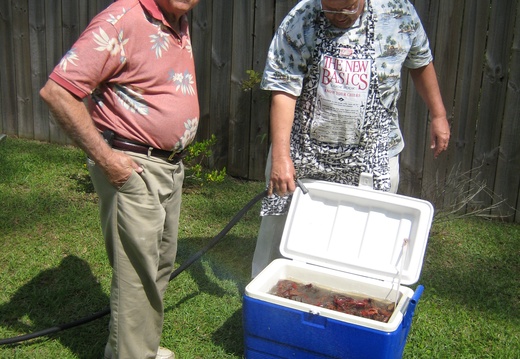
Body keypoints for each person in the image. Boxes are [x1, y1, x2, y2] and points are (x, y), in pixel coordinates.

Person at [40, 0, 200, 358]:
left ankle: (131, 349)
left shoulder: (177, 21)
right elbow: (58, 91)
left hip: (169, 166)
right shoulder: (123, 19)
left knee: (157, 265)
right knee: (136, 273)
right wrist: (108, 160)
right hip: (134, 166)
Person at [251, 0, 451, 278]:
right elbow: (283, 88)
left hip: (371, 157)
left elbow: (420, 61)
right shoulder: (302, 18)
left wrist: (438, 114)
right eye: (330, 9)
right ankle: (268, 302)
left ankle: (348, 305)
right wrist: (282, 158)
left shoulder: (397, 11)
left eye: (346, 10)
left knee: (362, 244)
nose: (337, 17)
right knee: (279, 236)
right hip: (304, 154)